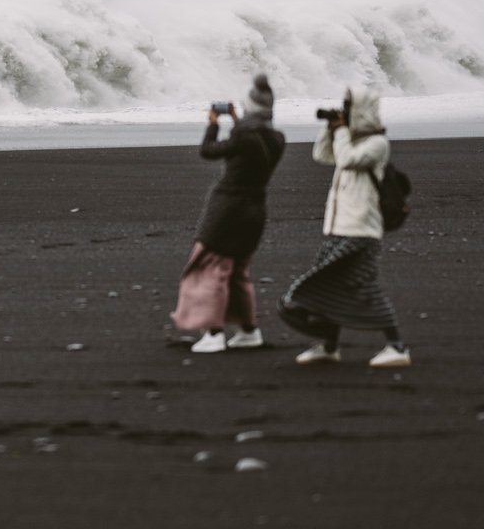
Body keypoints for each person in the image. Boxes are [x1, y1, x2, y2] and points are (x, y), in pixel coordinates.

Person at [279, 85, 412, 367]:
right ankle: (329, 347)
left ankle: (398, 347)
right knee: (330, 288)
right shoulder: (347, 140)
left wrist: (340, 132)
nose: (345, 110)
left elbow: (349, 161)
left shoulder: (378, 144)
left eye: (349, 106)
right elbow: (323, 156)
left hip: (361, 230)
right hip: (339, 228)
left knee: (364, 287)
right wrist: (330, 128)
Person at [171, 73, 286, 353]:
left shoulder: (244, 135)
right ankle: (248, 330)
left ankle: (213, 332)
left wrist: (213, 124)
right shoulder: (275, 138)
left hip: (229, 209)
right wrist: (237, 122)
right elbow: (249, 144)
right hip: (255, 209)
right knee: (236, 271)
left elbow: (209, 150)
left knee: (209, 268)